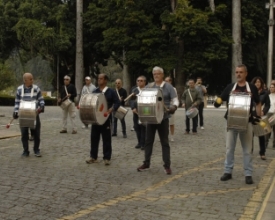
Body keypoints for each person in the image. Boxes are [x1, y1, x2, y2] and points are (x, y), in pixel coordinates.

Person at [214, 64, 261, 184]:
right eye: (237, 72)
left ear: (246, 73)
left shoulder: (251, 87)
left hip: (247, 122)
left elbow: (258, 103)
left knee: (247, 150)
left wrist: (258, 117)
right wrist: (218, 102)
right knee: (229, 149)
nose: (238, 74)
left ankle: (248, 174)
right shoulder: (230, 87)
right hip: (231, 122)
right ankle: (227, 171)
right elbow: (221, 98)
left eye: (241, 72)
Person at [137, 66, 179, 175]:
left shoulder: (168, 87)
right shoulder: (149, 86)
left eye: (158, 74)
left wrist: (174, 107)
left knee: (164, 142)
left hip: (163, 118)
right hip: (151, 119)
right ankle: (146, 163)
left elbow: (175, 100)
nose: (156, 75)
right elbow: (142, 98)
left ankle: (167, 165)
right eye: (154, 74)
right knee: (148, 142)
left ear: (162, 75)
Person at [86, 74, 120, 165]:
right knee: (94, 138)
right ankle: (93, 157)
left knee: (106, 138)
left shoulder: (111, 91)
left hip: (106, 118)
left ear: (105, 80)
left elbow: (117, 102)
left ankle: (107, 158)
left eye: (101, 79)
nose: (99, 80)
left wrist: (112, 109)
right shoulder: (95, 91)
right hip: (96, 119)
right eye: (98, 79)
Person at [13, 73, 45, 157]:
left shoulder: (36, 89)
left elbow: (41, 99)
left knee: (36, 133)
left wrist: (42, 105)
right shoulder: (19, 89)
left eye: (32, 79)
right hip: (23, 114)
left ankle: (36, 150)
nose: (32, 80)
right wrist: (15, 111)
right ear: (25, 80)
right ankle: (25, 151)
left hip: (34, 113)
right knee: (24, 133)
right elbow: (17, 101)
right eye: (30, 79)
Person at [251, 77, 270, 160]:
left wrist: (264, 111)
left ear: (261, 83)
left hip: (261, 116)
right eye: (256, 82)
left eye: (259, 82)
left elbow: (268, 105)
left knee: (262, 134)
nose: (257, 83)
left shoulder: (265, 93)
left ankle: (262, 152)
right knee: (250, 134)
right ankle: (249, 151)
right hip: (252, 115)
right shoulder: (251, 92)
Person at [131, 76, 147, 150]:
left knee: (143, 127)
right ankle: (139, 142)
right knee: (137, 127)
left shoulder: (147, 90)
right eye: (138, 81)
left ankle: (143, 143)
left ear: (144, 82)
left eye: (141, 81)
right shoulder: (134, 90)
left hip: (144, 111)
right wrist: (133, 108)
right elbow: (131, 100)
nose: (139, 82)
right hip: (136, 112)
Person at [165, 76, 178, 141]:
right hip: (164, 107)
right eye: (165, 81)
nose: (166, 82)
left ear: (170, 81)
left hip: (171, 107)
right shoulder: (163, 88)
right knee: (164, 123)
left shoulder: (173, 89)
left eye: (167, 81)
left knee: (171, 123)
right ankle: (164, 136)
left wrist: (174, 107)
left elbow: (175, 98)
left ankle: (172, 136)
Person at [266, 83, 275, 148]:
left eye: (273, 87)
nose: (271, 88)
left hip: (274, 113)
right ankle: (265, 143)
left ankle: (274, 144)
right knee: (267, 130)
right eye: (270, 87)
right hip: (268, 113)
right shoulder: (268, 96)